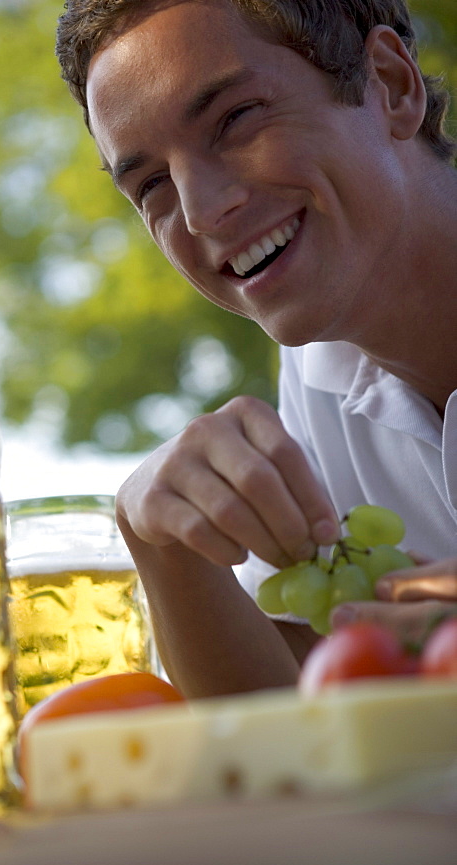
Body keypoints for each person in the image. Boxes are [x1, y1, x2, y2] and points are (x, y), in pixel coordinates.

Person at [55, 0, 457, 697]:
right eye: (151, 184)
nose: (201, 211)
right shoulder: (319, 373)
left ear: (390, 85)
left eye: (236, 119)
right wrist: (161, 544)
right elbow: (288, 725)